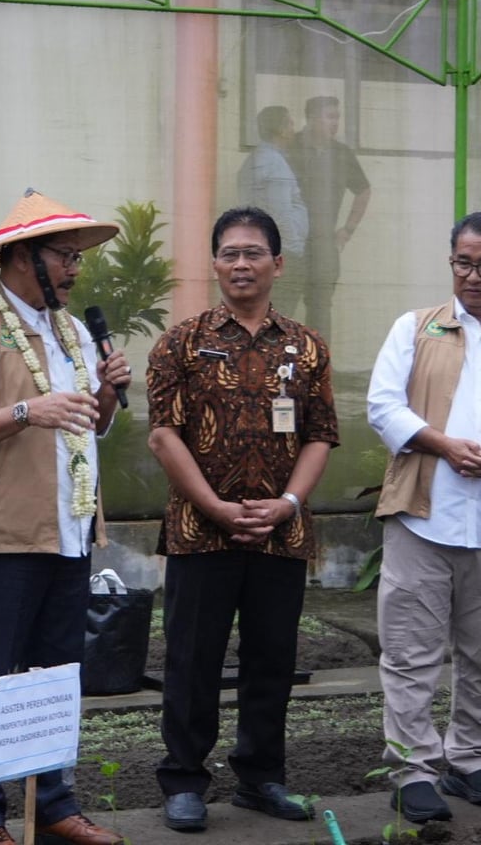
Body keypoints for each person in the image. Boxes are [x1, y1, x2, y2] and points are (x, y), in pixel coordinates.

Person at [0, 188, 133, 845]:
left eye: (77, 256)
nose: (74, 268)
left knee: (54, 678)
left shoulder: (71, 331)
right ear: (21, 257)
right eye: (63, 255)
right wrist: (25, 412)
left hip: (67, 530)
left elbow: (87, 426)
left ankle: (53, 803)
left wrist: (106, 393)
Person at [146, 205, 339, 832]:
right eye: (229, 253)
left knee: (271, 659)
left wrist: (287, 504)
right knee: (191, 659)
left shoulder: (306, 347)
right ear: (214, 264)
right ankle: (184, 780)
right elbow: (164, 436)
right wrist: (216, 508)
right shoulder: (180, 343)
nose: (241, 264)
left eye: (253, 252)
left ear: (277, 263)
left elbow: (320, 434)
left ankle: (260, 777)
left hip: (281, 533)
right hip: (202, 532)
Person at [367, 211, 481, 825]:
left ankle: (469, 757)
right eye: (464, 263)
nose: (473, 276)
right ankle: (413, 770)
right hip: (422, 517)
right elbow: (382, 406)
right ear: (451, 262)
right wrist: (443, 445)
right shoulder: (416, 327)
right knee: (412, 653)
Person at [287, 95, 371, 341]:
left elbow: (363, 190)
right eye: (330, 117)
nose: (335, 123)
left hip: (324, 243)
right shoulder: (291, 147)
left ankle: (318, 361)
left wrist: (347, 230)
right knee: (283, 302)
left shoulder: (341, 153)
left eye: (337, 117)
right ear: (312, 118)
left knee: (321, 307)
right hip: (290, 242)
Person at [237, 105, 308, 318]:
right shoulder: (274, 163)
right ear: (281, 129)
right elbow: (280, 214)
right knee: (279, 316)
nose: (294, 129)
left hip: (263, 248)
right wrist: (293, 251)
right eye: (291, 123)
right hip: (281, 251)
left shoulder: (257, 159)